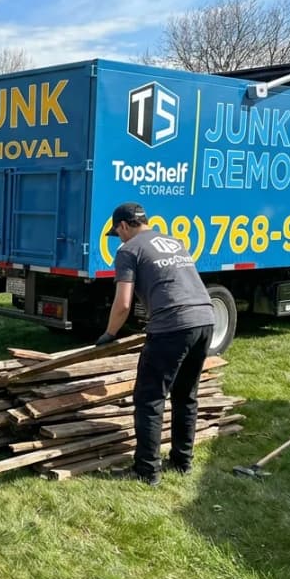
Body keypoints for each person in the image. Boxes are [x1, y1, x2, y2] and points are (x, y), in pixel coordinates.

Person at [97, 202, 215, 487]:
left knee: (149, 398)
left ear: (124, 225)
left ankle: (146, 471)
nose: (120, 238)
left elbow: (123, 303)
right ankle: (182, 462)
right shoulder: (174, 242)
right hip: (205, 319)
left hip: (173, 325)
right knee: (185, 395)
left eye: (118, 232)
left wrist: (109, 334)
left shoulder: (129, 250)